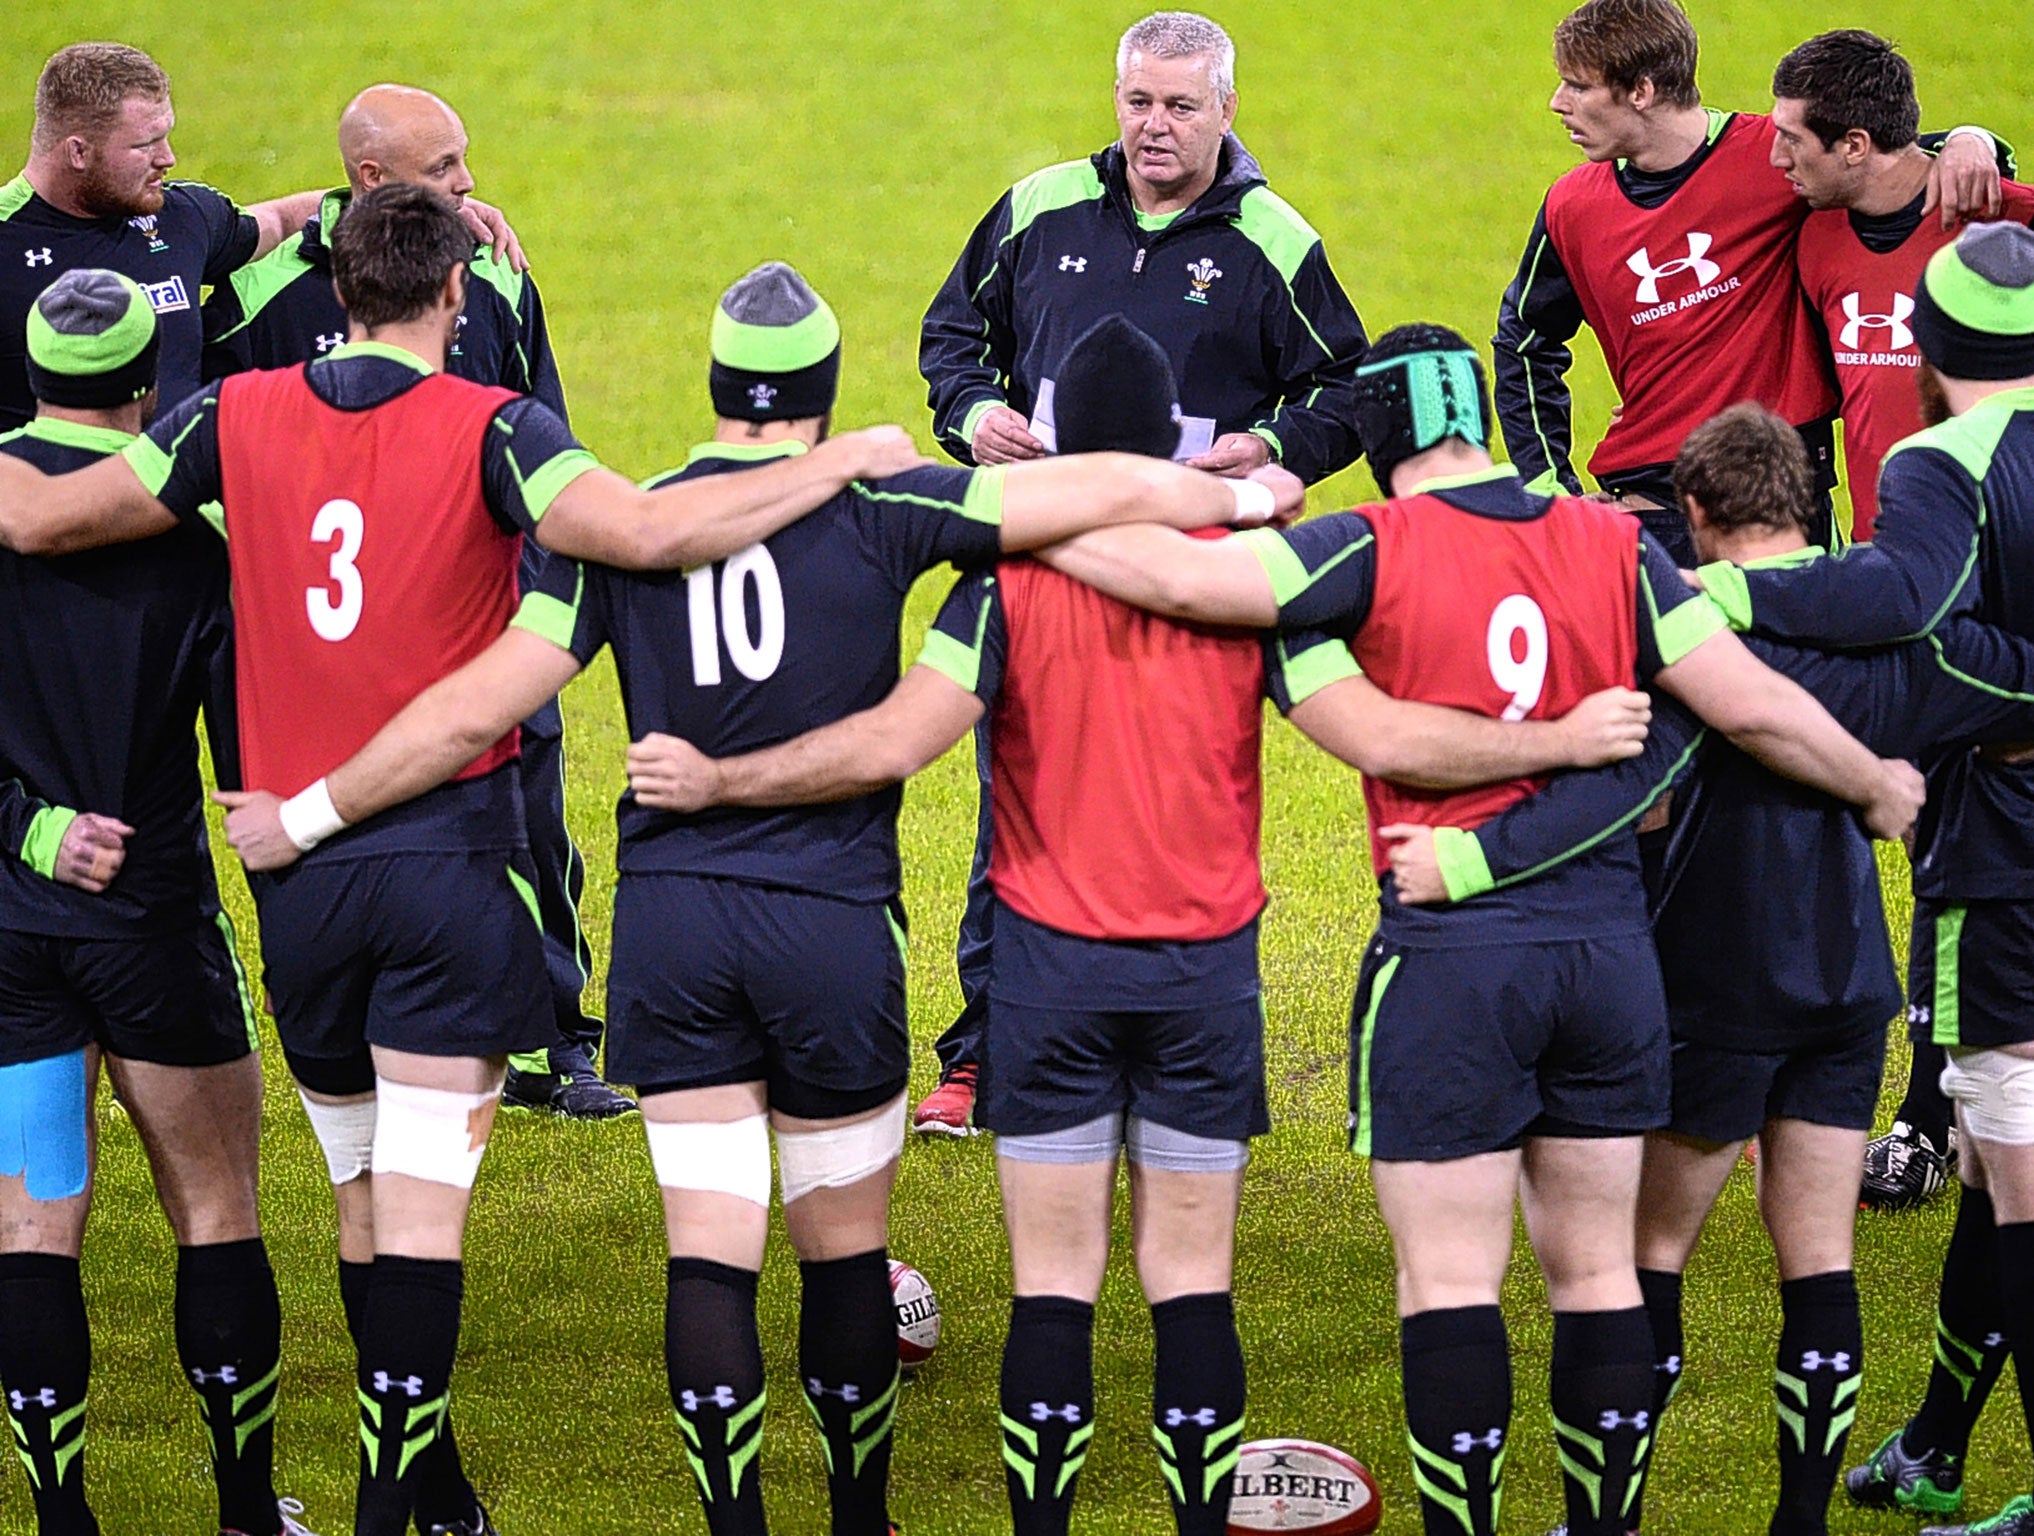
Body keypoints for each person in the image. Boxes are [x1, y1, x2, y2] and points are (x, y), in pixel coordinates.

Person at [194, 266, 1349, 1536]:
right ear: (821, 388)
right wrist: (1241, 492)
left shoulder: (623, 525)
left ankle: (735, 1524)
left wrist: (309, 810)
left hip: (674, 934)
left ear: (712, 385)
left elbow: (480, 701)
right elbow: (1091, 489)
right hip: (833, 930)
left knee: (710, 1252)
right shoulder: (883, 501)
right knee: (841, 1248)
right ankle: (859, 1516)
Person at [610, 314, 1665, 1536]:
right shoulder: (1241, 590)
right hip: (1203, 975)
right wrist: (1547, 751)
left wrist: (720, 779)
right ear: (1172, 437)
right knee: (1191, 1290)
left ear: (1056, 444)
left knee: (1051, 1292)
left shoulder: (1000, 586)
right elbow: (1366, 732)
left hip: (1046, 975)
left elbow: (903, 737)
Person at [0, 186, 930, 1536]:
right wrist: (840, 463)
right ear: (451, 297)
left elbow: (44, 522)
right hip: (446, 862)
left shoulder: (230, 412)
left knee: (360, 1192)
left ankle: (422, 1489)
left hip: (296, 882)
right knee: (423, 1204)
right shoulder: (502, 428)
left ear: (336, 292)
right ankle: (397, 1504)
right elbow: (658, 534)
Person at [992, 324, 1921, 1536]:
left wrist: (999, 513)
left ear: (1376, 438)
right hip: (1606, 966)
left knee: (1448, 1282)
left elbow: (1170, 576)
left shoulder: (1362, 546)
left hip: (1449, 964)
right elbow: (1750, 705)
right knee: (1595, 1273)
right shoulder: (1614, 545)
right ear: (1475, 417)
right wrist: (1872, 783)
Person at [1380, 403, 2034, 1536]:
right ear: (1803, 504)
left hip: (1714, 982)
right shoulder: (1888, 635)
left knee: (1641, 1258)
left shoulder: (1682, 636)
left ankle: (1610, 1518)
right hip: (1848, 984)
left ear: (1690, 514)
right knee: (1818, 1259)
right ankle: (1798, 1525)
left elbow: (1627, 799)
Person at [914, 8, 1370, 1132]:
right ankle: (984, 1057)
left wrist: (1269, 446)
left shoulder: (1271, 241)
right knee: (1014, 804)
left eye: (1178, 106)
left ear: (1224, 110)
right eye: (1136, 101)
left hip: (1190, 578)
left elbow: (1344, 390)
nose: (1152, 127)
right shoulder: (1037, 209)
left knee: (1183, 811)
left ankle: (1177, 1061)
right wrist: (972, 415)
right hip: (1043, 555)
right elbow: (950, 341)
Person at [1696, 223, 2034, 1536]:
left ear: (1933, 356)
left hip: (2009, 858)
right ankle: (1939, 1447)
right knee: (1991, 1162)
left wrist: (1722, 601)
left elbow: (1906, 610)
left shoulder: (1936, 461)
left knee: (2019, 1171)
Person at [200, 81, 625, 1121]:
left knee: (529, 823)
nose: (469, 185)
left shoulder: (491, 273)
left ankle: (556, 1041)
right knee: (327, 821)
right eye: (443, 170)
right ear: (370, 179)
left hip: (481, 618)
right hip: (330, 633)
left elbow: (542, 427)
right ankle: (339, 1035)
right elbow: (206, 456)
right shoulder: (256, 300)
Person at [0, 270, 310, 1536]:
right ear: (148, 388)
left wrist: (26, 827)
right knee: (217, 1209)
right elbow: (250, 773)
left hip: (12, 932)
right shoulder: (196, 544)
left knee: (33, 1217)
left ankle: (60, 1519)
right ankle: (246, 1512)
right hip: (154, 924)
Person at [1769, 27, 2034, 1211]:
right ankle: (1947, 1109)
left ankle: (1936, 1119)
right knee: (1946, 850)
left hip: (2006, 572)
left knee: (1968, 854)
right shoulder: (1809, 231)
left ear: (1856, 142)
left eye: (1792, 137)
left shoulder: (2000, 214)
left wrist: (1978, 145)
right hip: (1904, 577)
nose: (1769, 154)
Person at [1491, 0, 2001, 562]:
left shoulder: (1781, 161)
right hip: (1652, 505)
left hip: (1780, 503)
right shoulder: (1572, 206)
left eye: (1577, 86)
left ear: (1641, 91)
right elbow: (1524, 344)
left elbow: (1885, 160)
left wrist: (1972, 141)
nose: (1557, 103)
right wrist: (1548, 494)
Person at [0, 43, 522, 435]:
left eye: (167, 134)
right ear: (77, 152)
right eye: (145, 144)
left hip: (174, 548)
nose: (169, 158)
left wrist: (418, 203)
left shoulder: (181, 218)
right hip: (40, 539)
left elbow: (275, 220)